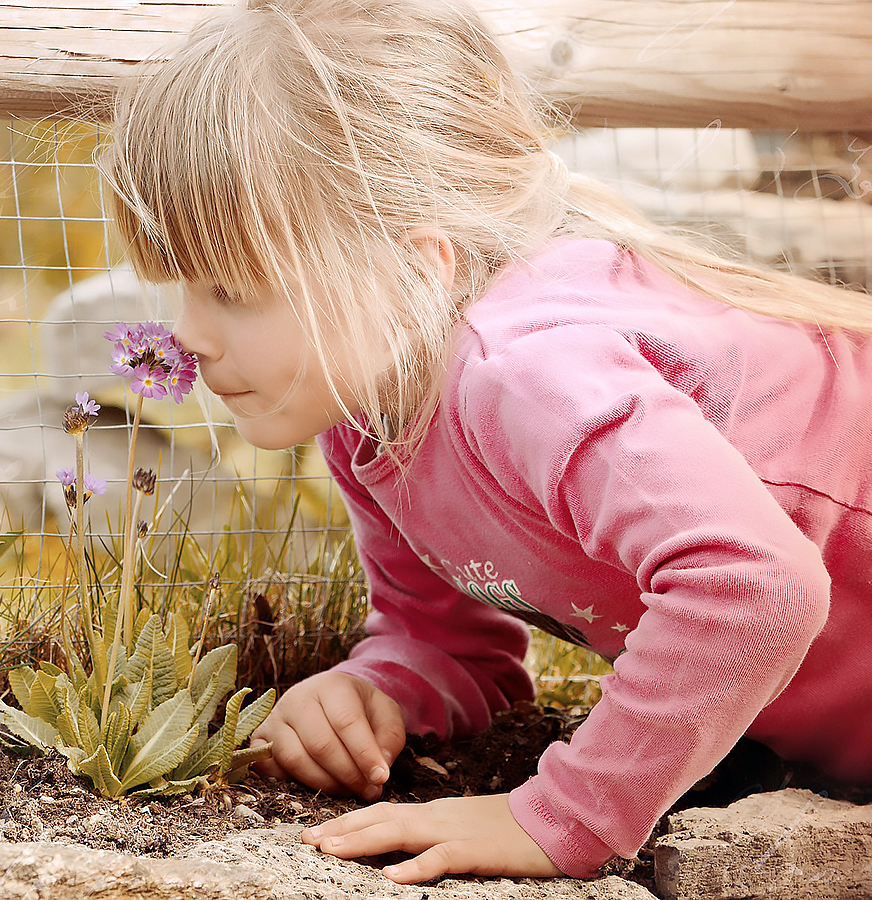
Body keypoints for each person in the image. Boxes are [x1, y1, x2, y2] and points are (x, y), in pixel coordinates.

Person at [96, 0, 872, 883]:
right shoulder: (371, 424)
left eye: (233, 288)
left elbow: (753, 587)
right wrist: (378, 688)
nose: (187, 332)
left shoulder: (527, 374)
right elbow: (457, 644)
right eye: (180, 286)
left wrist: (561, 817)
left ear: (419, 267)